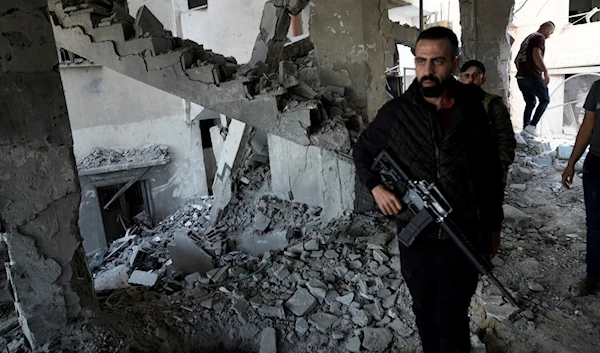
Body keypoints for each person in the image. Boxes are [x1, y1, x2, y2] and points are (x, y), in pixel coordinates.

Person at [353, 27, 504, 353]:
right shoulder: (395, 114)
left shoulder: (472, 111)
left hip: (461, 233)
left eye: (438, 61)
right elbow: (362, 152)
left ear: (454, 63)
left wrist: (493, 226)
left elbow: (490, 174)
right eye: (421, 60)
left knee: (451, 318)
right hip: (415, 238)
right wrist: (375, 186)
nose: (428, 69)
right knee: (424, 312)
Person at [562, 79, 600, 296]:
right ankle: (593, 277)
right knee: (595, 225)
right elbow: (587, 126)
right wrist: (571, 164)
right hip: (597, 164)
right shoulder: (598, 88)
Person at [459, 59, 516, 183]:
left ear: (482, 79)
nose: (470, 80)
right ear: (461, 79)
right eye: (466, 76)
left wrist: (503, 165)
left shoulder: (493, 105)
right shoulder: (451, 104)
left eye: (475, 76)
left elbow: (505, 137)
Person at [514, 21, 555, 137]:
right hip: (532, 77)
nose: (549, 36)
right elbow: (536, 55)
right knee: (545, 100)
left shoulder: (528, 38)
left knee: (530, 102)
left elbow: (516, 60)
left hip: (521, 77)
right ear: (546, 29)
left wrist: (522, 71)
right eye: (551, 32)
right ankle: (531, 126)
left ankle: (525, 131)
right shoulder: (539, 37)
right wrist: (545, 72)